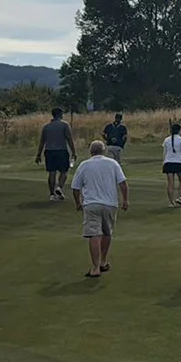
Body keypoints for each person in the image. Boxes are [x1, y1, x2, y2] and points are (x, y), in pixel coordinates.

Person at [71, 140, 128, 279]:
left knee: (94, 234)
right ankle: (103, 261)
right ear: (104, 151)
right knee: (107, 233)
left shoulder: (84, 165)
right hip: (109, 204)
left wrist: (78, 203)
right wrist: (125, 200)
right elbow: (123, 183)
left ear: (91, 151)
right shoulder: (112, 163)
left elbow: (75, 187)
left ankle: (95, 267)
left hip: (91, 204)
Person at [35, 108, 79, 201]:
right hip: (61, 151)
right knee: (64, 172)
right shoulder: (64, 125)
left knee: (52, 173)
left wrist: (38, 154)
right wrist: (74, 152)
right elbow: (69, 139)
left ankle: (52, 194)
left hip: (49, 151)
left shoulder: (46, 127)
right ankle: (59, 187)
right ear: (60, 114)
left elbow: (42, 142)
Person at [162, 122, 181, 207]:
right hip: (178, 162)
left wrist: (164, 162)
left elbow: (164, 152)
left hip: (168, 162)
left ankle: (171, 202)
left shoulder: (166, 140)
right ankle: (179, 197)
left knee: (170, 183)